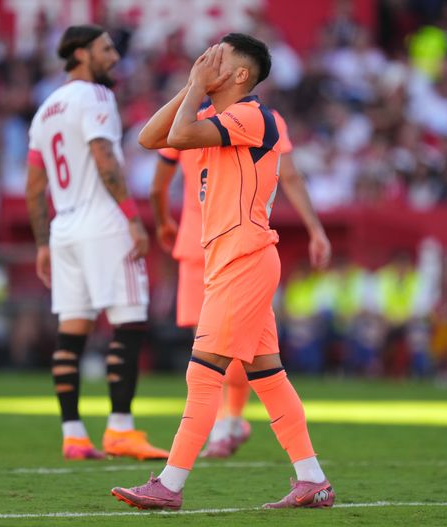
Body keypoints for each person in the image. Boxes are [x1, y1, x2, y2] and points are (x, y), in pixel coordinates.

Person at [112, 34, 335, 510]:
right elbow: (150, 138)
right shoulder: (218, 117)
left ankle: (170, 485)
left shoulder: (252, 116)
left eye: (220, 57)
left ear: (240, 75)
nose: (208, 59)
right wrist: (192, 86)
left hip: (244, 258)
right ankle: (312, 479)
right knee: (269, 376)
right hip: (234, 259)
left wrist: (196, 85)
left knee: (203, 373)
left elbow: (176, 136)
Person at [150, 106, 330, 458]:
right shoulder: (203, 116)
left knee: (217, 356)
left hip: (234, 245)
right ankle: (305, 470)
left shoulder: (253, 118)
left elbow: (289, 175)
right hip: (208, 243)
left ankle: (217, 432)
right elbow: (153, 151)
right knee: (242, 358)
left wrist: (315, 228)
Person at [25, 25, 168, 461]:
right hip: (102, 222)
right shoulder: (96, 97)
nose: (115, 57)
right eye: (106, 49)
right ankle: (120, 428)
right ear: (82, 54)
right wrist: (133, 219)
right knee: (129, 320)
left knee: (72, 333)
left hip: (64, 228)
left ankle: (73, 435)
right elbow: (105, 158)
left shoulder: (45, 109)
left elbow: (34, 186)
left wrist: (43, 243)